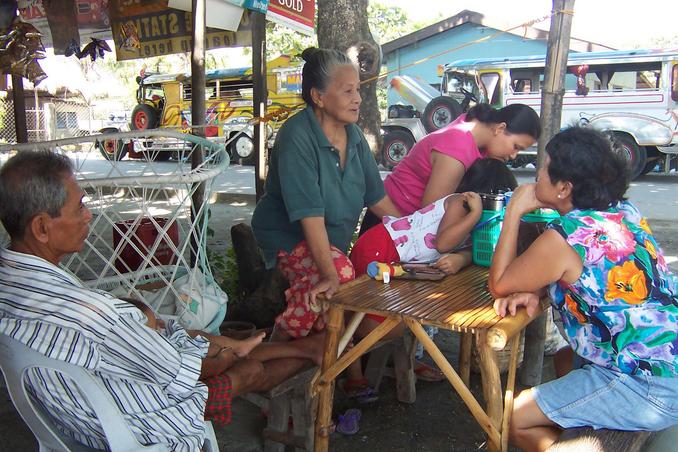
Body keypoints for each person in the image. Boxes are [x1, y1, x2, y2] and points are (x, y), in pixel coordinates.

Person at [0, 150, 326, 451]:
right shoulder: (90, 315)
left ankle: (306, 350)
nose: (89, 216)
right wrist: (220, 349)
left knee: (210, 344)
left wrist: (172, 332)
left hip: (70, 421)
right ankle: (316, 350)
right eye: (80, 206)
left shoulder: (8, 283)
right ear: (42, 227)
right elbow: (181, 369)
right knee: (247, 366)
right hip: (136, 426)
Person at [488, 127, 678, 451]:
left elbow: (500, 283)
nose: (537, 176)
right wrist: (539, 289)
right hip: (667, 362)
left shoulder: (566, 236)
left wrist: (513, 212)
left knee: (513, 417)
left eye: (543, 168)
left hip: (647, 385)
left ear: (564, 188)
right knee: (565, 360)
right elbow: (596, 279)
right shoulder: (624, 213)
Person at [251, 47, 400, 341]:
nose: (358, 98)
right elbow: (310, 215)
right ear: (318, 97)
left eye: (358, 89)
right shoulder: (297, 136)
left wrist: (414, 236)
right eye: (347, 91)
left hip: (331, 242)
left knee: (368, 272)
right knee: (338, 276)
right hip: (288, 238)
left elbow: (378, 200)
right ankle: (279, 340)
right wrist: (330, 272)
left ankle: (333, 356)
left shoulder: (354, 136)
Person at [351, 158, 518, 276]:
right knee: (367, 309)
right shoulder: (460, 202)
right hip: (383, 245)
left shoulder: (478, 217)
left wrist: (462, 259)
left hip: (397, 255)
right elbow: (443, 244)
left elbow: (471, 248)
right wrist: (475, 214)